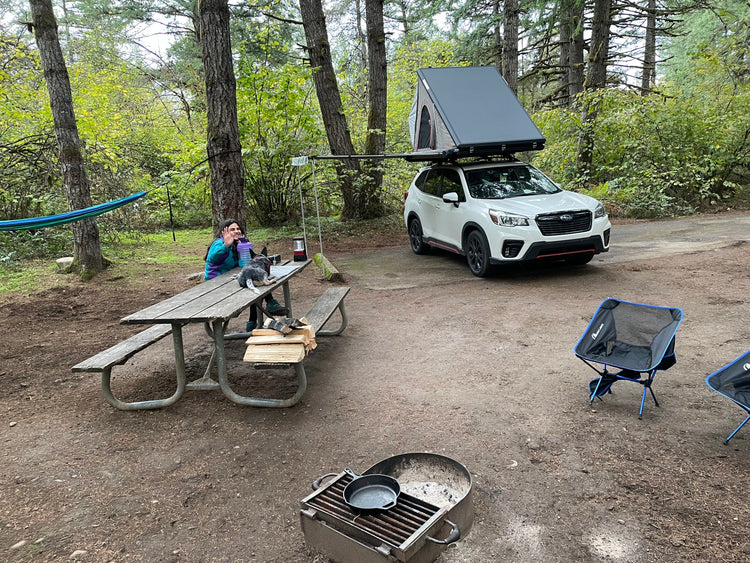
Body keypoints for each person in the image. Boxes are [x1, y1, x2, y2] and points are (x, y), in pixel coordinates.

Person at [204, 218, 288, 332]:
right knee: (253, 285)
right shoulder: (219, 243)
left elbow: (247, 262)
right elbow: (212, 258)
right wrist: (226, 245)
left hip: (231, 279)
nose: (237, 231)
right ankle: (265, 309)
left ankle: (254, 322)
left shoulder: (241, 243)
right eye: (232, 229)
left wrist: (244, 247)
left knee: (254, 283)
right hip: (216, 282)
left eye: (238, 228)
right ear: (225, 232)